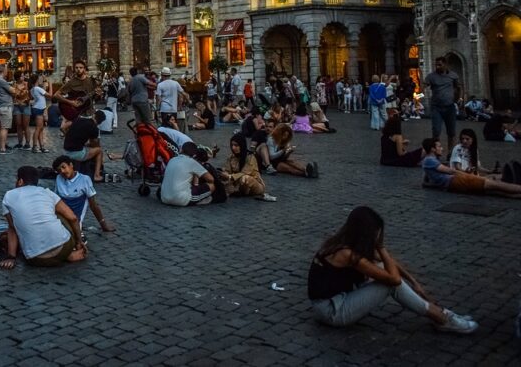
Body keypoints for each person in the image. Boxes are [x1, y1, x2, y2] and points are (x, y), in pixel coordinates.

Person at [308, 206, 477, 333]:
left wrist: (415, 283)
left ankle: (438, 313)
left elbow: (389, 263)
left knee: (383, 269)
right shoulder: (345, 253)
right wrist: (381, 246)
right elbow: (394, 279)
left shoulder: (343, 241)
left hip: (336, 299)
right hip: (331, 310)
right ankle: (441, 317)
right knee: (388, 283)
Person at [0, 165, 86, 269]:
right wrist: (79, 242)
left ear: (20, 181)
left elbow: (12, 227)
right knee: (59, 213)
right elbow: (73, 218)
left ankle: (63, 256)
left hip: (35, 259)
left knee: (17, 224)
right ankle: (68, 255)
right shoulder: (47, 193)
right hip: (64, 249)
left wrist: (11, 257)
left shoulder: (8, 196)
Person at [422, 138, 521, 197]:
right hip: (457, 180)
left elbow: (429, 177)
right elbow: (451, 171)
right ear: (432, 149)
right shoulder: (430, 160)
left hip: (455, 181)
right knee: (496, 185)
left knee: (494, 188)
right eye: (439, 146)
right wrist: (471, 176)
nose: (441, 148)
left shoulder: (429, 161)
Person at [53, 155, 115, 232]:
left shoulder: (84, 180)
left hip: (75, 220)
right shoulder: (59, 178)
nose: (62, 171)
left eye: (64, 167)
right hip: (61, 217)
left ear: (71, 165)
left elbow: (93, 205)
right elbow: (56, 200)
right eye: (59, 170)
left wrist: (103, 225)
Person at [49, 61, 99, 134]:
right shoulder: (71, 83)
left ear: (84, 69)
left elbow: (95, 98)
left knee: (93, 139)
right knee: (79, 137)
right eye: (76, 68)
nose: (78, 69)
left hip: (90, 112)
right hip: (77, 114)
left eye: (81, 68)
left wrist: (98, 95)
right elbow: (56, 95)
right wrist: (71, 102)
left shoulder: (91, 81)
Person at [159, 142, 214, 206]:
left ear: (181, 150)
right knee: (211, 186)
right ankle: (198, 201)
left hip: (164, 197)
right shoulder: (192, 162)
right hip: (181, 199)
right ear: (194, 155)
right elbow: (211, 179)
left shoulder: (172, 160)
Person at [220, 135, 274, 200]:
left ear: (242, 145)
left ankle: (237, 190)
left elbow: (244, 172)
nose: (233, 148)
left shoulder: (250, 157)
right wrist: (224, 174)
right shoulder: (231, 157)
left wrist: (229, 177)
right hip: (236, 182)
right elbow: (227, 170)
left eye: (236, 145)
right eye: (232, 145)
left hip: (254, 183)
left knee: (244, 178)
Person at [62, 106, 105, 182]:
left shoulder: (79, 119)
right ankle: (97, 175)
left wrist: (68, 136)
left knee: (86, 148)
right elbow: (94, 145)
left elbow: (63, 127)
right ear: (101, 122)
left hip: (65, 150)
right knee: (99, 151)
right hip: (76, 153)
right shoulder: (94, 128)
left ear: (94, 115)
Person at [425, 57, 461, 143]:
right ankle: (435, 150)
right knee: (436, 130)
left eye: (439, 65)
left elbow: (458, 87)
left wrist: (458, 98)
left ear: (445, 65)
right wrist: (419, 95)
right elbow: (424, 85)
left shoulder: (453, 75)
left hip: (450, 107)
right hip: (436, 107)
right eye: (436, 65)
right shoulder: (431, 76)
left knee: (451, 132)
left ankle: (450, 152)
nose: (437, 67)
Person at [28, 74, 49, 152]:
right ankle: (34, 146)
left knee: (41, 128)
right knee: (38, 128)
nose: (41, 80)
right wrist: (49, 84)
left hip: (38, 108)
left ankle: (42, 146)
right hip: (39, 109)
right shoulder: (37, 88)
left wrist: (44, 81)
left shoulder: (34, 88)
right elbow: (50, 95)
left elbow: (43, 89)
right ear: (37, 80)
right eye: (40, 79)